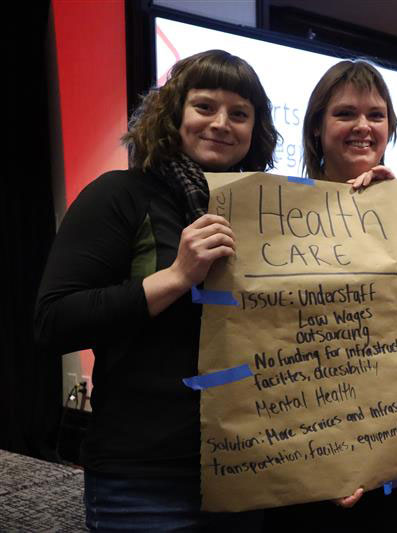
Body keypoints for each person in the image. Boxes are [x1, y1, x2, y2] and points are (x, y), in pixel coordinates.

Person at [35, 50, 279, 530]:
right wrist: (176, 276)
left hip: (249, 472)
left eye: (240, 114)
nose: (221, 124)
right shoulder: (119, 195)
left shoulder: (265, 211)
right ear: (174, 113)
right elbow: (53, 321)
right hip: (145, 483)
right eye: (204, 106)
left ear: (255, 129)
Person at [272, 59, 397, 532]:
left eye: (376, 115)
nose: (363, 126)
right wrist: (328, 453)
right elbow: (270, 340)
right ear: (316, 127)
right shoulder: (275, 213)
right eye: (345, 113)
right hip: (307, 452)